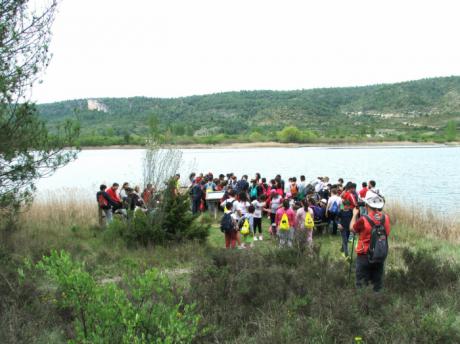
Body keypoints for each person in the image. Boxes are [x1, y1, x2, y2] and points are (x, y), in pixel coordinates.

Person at [350, 191, 391, 292]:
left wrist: (354, 215)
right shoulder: (385, 218)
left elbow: (352, 229)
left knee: (361, 285)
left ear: (367, 204)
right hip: (379, 255)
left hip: (364, 256)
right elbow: (387, 233)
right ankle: (376, 303)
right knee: (377, 285)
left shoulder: (363, 219)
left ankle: (363, 305)